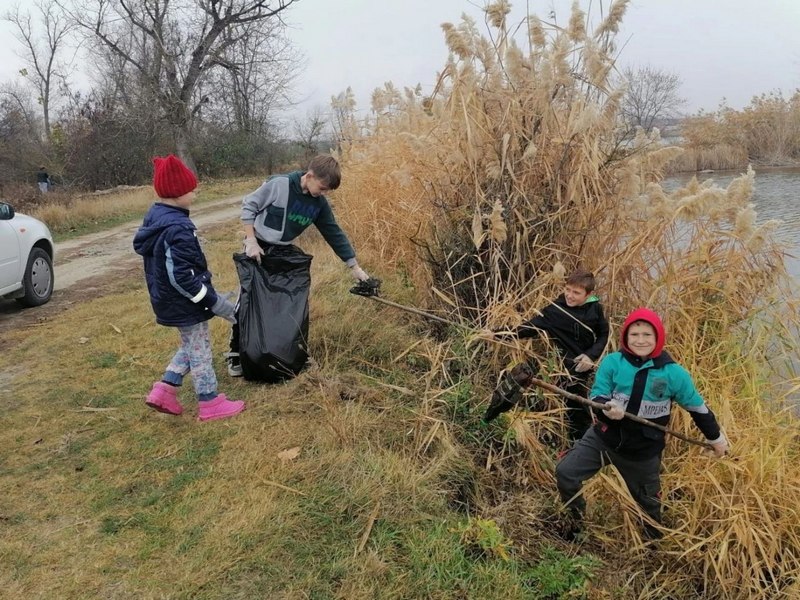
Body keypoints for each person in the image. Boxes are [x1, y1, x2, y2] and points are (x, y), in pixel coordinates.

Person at [554, 307, 729, 540]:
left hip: (642, 452)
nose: (640, 340)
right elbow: (597, 395)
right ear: (625, 337)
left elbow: (698, 409)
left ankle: (651, 545)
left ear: (658, 338)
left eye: (647, 334)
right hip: (603, 439)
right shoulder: (613, 363)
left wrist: (716, 439)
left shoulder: (674, 374)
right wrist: (607, 407)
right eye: (634, 334)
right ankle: (576, 523)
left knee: (649, 506)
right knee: (566, 472)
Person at [226, 154, 370, 377]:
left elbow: (333, 232)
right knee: (248, 299)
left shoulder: (318, 205)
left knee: (289, 301)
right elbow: (249, 206)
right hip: (258, 249)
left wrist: (354, 267)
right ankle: (236, 352)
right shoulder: (280, 185)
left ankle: (290, 351)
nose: (323, 193)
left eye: (327, 191)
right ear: (309, 176)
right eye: (322, 188)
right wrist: (251, 240)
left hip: (283, 251)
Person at [133, 154, 245, 421]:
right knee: (201, 351)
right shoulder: (178, 227)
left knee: (192, 344)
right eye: (191, 188)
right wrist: (213, 302)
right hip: (184, 300)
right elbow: (181, 277)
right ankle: (209, 401)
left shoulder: (158, 218)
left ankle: (165, 389)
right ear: (177, 193)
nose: (195, 192)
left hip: (169, 300)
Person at [489, 269, 609, 441]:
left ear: (588, 294)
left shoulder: (595, 308)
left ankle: (579, 443)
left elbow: (603, 334)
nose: (569, 295)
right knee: (574, 406)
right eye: (567, 289)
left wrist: (591, 356)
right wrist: (497, 334)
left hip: (583, 366)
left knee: (578, 409)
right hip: (562, 367)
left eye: (576, 293)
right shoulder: (554, 311)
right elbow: (527, 328)